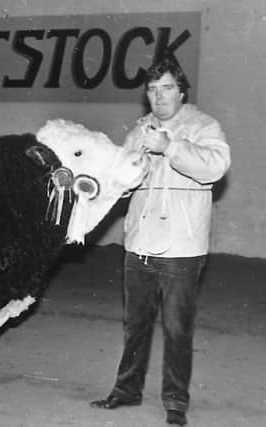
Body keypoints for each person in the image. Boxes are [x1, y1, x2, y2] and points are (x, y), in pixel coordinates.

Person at [89, 56, 231, 426]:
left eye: (166, 88)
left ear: (181, 91)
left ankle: (175, 402)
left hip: (182, 248)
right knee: (134, 323)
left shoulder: (204, 126)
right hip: (139, 245)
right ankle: (126, 390)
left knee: (177, 329)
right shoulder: (139, 130)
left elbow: (216, 167)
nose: (158, 96)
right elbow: (123, 180)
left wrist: (170, 147)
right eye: (152, 90)